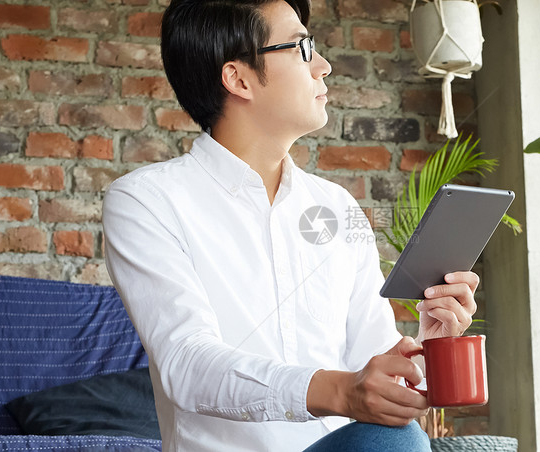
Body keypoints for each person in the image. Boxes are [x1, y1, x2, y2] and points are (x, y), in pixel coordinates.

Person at [101, 0, 480, 450]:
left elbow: (374, 372)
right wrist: (340, 391)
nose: (323, 65)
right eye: (302, 47)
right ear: (238, 78)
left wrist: (424, 344)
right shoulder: (146, 200)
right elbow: (188, 365)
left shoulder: (335, 207)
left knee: (397, 436)